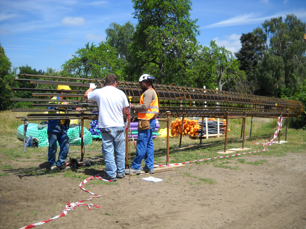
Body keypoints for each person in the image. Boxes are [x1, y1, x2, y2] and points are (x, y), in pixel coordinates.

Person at [84, 74, 129, 182]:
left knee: (108, 151)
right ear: (115, 83)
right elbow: (126, 110)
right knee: (120, 151)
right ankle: (121, 172)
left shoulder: (99, 91)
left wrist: (91, 87)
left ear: (106, 82)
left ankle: (111, 174)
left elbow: (86, 95)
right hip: (119, 126)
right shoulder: (121, 93)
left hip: (106, 126)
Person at [125, 74, 159, 175]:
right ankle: (149, 166)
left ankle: (135, 167)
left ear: (146, 83)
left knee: (141, 144)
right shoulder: (152, 92)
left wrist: (133, 107)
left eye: (141, 83)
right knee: (148, 144)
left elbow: (144, 106)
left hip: (146, 122)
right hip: (150, 121)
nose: (140, 85)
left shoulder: (148, 92)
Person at [48, 85, 80, 171]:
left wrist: (76, 108)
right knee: (53, 147)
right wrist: (60, 105)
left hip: (62, 127)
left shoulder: (65, 100)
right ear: (62, 92)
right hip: (53, 127)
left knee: (66, 145)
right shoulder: (54, 99)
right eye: (67, 92)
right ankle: (52, 164)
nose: (68, 94)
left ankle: (60, 163)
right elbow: (50, 109)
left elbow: (69, 108)